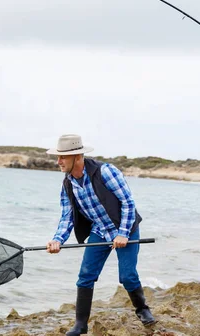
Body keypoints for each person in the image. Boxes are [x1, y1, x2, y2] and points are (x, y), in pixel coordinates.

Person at [45, 134, 155, 336]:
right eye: (58, 157)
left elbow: (128, 203)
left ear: (77, 157)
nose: (58, 162)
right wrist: (58, 240)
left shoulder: (106, 172)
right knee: (85, 277)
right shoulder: (68, 183)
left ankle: (142, 309)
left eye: (62, 157)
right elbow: (67, 216)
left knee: (128, 276)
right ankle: (80, 325)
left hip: (125, 228)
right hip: (100, 231)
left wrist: (122, 234)